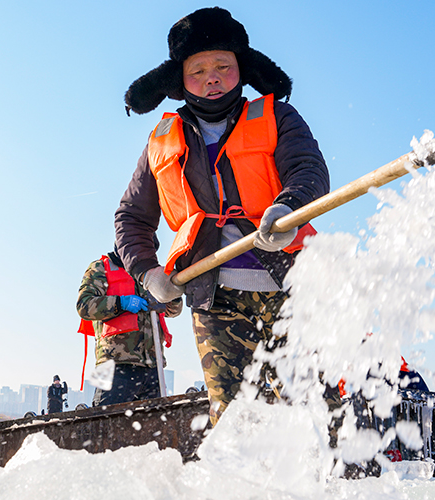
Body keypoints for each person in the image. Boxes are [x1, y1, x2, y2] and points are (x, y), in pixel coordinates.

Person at [115, 7, 330, 426]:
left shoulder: (278, 117)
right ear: (179, 80)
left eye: (222, 67)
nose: (211, 78)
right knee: (235, 423)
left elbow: (308, 170)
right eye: (197, 71)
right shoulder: (161, 140)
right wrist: (148, 272)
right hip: (215, 300)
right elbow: (131, 217)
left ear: (242, 70)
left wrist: (288, 208)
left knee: (316, 413)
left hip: (294, 285)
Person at [77, 243, 183, 406]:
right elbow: (84, 305)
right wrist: (121, 303)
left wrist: (172, 296)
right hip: (117, 365)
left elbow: (173, 311)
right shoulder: (101, 268)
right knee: (108, 419)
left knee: (155, 420)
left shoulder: (151, 274)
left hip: (153, 367)